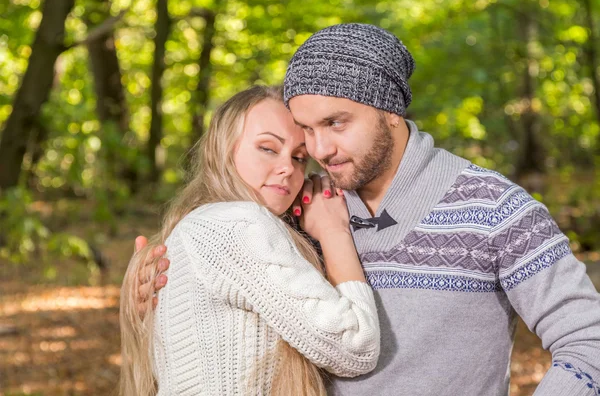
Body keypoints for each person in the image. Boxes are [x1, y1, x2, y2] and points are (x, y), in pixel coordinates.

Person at [141, 24, 600, 395]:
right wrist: (148, 286)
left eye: (336, 123)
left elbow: (588, 342)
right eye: (306, 130)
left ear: (391, 111)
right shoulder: (295, 206)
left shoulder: (495, 208)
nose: (320, 149)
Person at [119, 85, 381, 396]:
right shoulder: (236, 224)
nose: (288, 168)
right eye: (268, 148)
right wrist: (333, 230)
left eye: (299, 157)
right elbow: (356, 347)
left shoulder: (197, 224)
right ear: (224, 149)